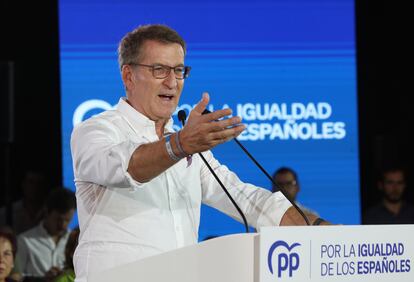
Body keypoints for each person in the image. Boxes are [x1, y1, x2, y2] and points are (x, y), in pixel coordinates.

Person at [70, 24, 327, 282]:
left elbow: (247, 199)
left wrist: (318, 229)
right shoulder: (95, 131)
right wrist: (180, 144)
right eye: (159, 70)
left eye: (179, 70)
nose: (172, 82)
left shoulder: (186, 146)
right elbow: (126, 168)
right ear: (128, 76)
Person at [16, 188, 76, 280]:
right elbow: (16, 277)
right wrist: (41, 279)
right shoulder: (24, 241)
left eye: (67, 220)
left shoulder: (74, 241)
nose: (62, 225)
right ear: (47, 211)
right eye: (58, 219)